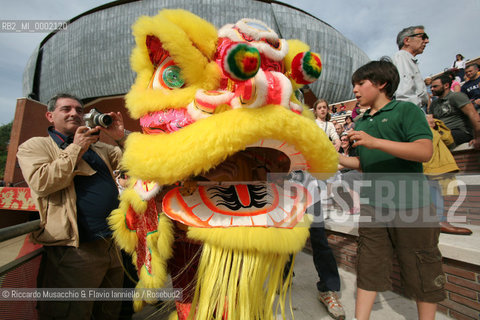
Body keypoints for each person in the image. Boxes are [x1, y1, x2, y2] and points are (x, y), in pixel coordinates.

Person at [340, 59, 444, 320]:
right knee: (369, 265)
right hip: (374, 206)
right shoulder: (361, 122)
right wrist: (334, 159)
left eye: (360, 83)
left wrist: (375, 142)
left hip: (413, 206)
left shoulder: (406, 111)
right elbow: (365, 163)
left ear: (381, 83)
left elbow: (424, 151)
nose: (355, 90)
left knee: (423, 267)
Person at [17, 93, 128, 320]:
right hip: (76, 250)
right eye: (66, 109)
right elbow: (42, 182)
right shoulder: (35, 146)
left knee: (109, 311)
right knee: (71, 312)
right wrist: (76, 149)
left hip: (111, 245)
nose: (74, 113)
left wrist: (120, 137)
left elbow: (136, 162)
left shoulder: (100, 149)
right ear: (50, 116)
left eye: (79, 110)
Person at [429, 74, 480, 149]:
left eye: (435, 86)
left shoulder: (456, 96)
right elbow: (430, 121)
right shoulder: (434, 104)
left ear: (446, 85)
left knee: (436, 141)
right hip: (443, 132)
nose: (432, 89)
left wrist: (478, 137)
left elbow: (473, 115)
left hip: (460, 132)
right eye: (431, 87)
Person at [392, 25, 430, 110]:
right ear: (407, 40)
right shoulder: (402, 57)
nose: (427, 41)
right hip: (412, 110)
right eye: (423, 37)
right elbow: (404, 94)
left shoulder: (407, 59)